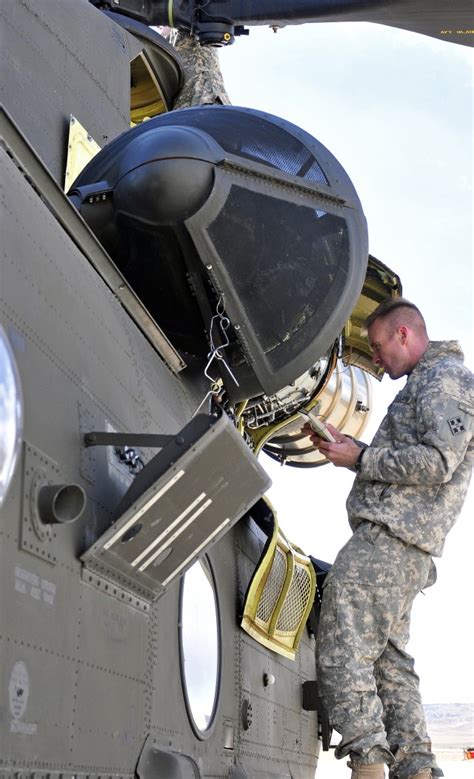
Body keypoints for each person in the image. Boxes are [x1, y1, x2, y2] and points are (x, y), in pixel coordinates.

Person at [304, 298, 473, 779]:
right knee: (390, 666)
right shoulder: (430, 382)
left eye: (378, 347)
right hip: (402, 547)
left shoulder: (445, 379)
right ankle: (415, 769)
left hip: (391, 543)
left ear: (404, 335)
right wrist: (352, 449)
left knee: (342, 639)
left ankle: (368, 767)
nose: (375, 358)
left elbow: (437, 462)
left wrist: (358, 459)